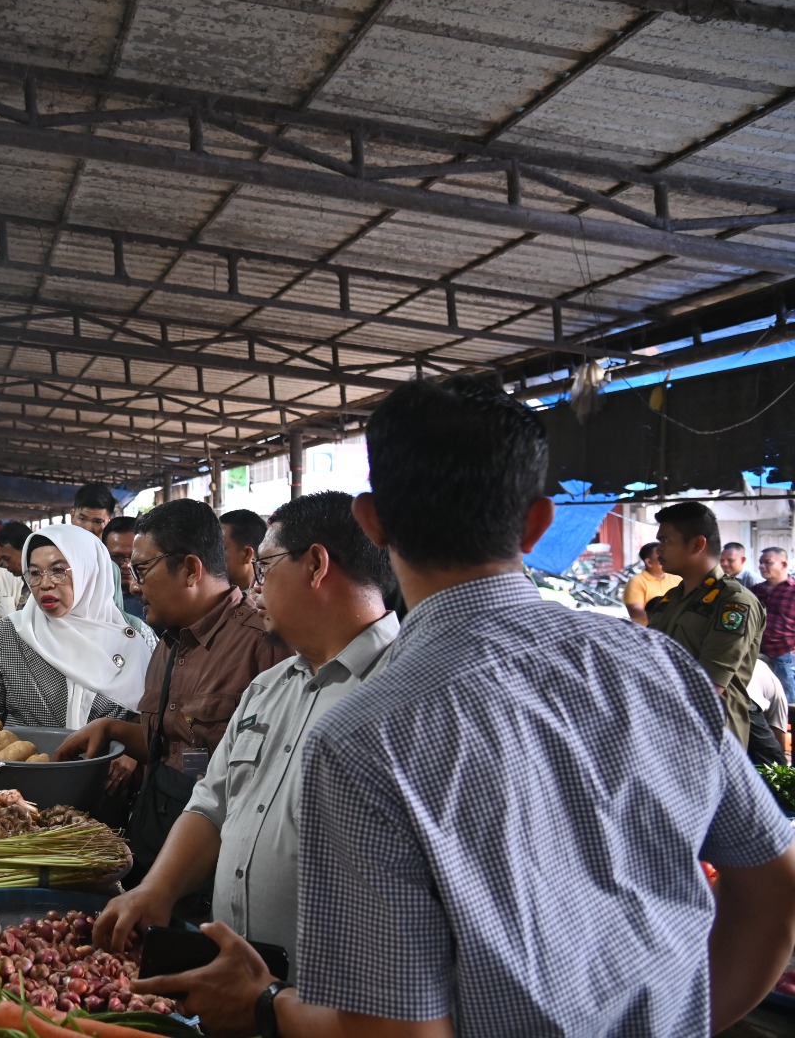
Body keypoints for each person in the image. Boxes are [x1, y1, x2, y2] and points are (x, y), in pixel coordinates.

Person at [134, 376, 795, 1038]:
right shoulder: (655, 667)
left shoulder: (365, 734)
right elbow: (775, 893)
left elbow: (396, 1033)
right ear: (537, 523)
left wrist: (261, 1006)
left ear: (373, 522)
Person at [94, 491, 395, 968]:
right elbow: (214, 801)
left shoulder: (405, 693)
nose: (255, 587)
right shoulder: (270, 687)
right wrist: (156, 890)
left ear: (315, 565)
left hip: (332, 997)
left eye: (267, 566)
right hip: (239, 977)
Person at [0, 524, 152, 730]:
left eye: (58, 570)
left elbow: (158, 720)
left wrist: (134, 743)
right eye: (35, 573)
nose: (45, 583)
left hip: (108, 762)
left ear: (89, 570)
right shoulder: (8, 634)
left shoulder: (136, 638)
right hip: (28, 761)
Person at [649, 500, 770, 757]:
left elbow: (709, 686)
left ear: (696, 544)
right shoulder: (672, 598)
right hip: (666, 727)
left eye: (666, 541)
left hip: (709, 735)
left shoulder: (733, 602)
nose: (658, 550)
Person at [753, 547, 795, 712]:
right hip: (757, 652)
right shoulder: (756, 591)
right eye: (761, 563)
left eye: (768, 563)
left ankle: (789, 733)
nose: (763, 567)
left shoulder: (793, 591)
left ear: (783, 564)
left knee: (788, 696)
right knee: (761, 696)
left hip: (784, 653)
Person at [621, 540, 678, 625]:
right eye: (660, 556)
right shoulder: (636, 582)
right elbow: (637, 612)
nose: (666, 558)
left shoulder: (677, 579)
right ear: (649, 562)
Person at [219, 509, 267, 608]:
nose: (213, 555)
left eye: (220, 549)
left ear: (247, 554)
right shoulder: (216, 593)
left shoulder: (266, 603)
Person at [102, 516, 145, 620]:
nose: (126, 565)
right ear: (103, 554)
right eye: (116, 557)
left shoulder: (158, 602)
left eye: (133, 557)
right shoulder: (92, 601)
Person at [749, 656, 790, 763]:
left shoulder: (756, 664)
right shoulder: (775, 683)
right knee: (773, 761)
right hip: (747, 701)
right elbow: (778, 729)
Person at [0, 520, 34, 609]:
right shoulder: (21, 580)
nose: (5, 565)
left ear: (25, 550)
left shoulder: (45, 583)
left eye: (7, 559)